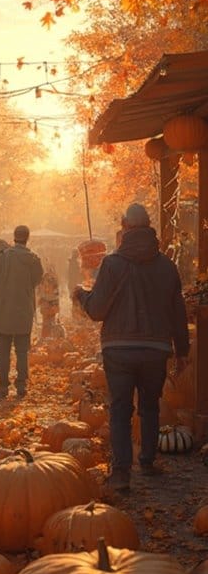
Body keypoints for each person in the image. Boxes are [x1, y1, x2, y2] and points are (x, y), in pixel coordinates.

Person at [73, 202, 190, 494]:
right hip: (156, 349)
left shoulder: (112, 264)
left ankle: (122, 473)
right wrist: (183, 352)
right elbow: (178, 312)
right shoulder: (167, 266)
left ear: (124, 227)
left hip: (119, 349)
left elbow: (98, 310)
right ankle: (148, 462)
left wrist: (82, 296)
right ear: (149, 226)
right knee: (150, 406)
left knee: (120, 409)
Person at [0, 224, 44, 398]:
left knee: (2, 351)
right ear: (28, 238)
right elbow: (36, 280)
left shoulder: (2, 257)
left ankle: (3, 386)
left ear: (14, 237)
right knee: (22, 351)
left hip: (2, 311)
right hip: (24, 311)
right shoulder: (34, 259)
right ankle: (21, 385)